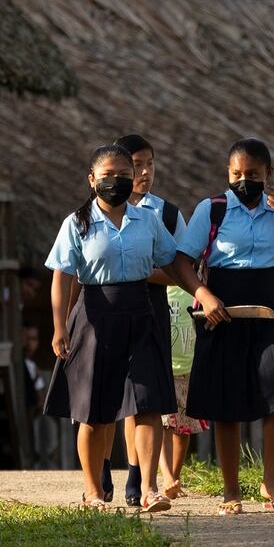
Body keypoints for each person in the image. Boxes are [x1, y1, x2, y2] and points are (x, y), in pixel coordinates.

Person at [42, 144, 226, 511]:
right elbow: (62, 276)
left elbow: (174, 262)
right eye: (108, 175)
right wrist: (59, 327)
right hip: (95, 316)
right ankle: (93, 492)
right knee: (93, 410)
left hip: (141, 315)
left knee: (146, 403)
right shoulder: (76, 223)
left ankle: (148, 489)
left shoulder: (148, 220)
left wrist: (202, 293)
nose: (117, 182)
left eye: (124, 176)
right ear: (92, 180)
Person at [174, 138, 274, 515]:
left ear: (268, 174)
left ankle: (271, 482)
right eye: (236, 173)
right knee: (226, 400)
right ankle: (231, 491)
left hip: (270, 305)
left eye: (252, 174)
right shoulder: (213, 209)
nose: (243, 180)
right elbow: (182, 261)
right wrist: (204, 295)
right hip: (221, 308)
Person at [104, 133, 202, 506]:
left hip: (152, 308)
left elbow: (181, 267)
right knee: (120, 398)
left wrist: (135, 269)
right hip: (110, 309)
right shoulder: (97, 211)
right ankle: (117, 473)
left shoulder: (168, 214)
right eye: (135, 166)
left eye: (149, 164)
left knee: (146, 398)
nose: (144, 173)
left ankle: (144, 482)